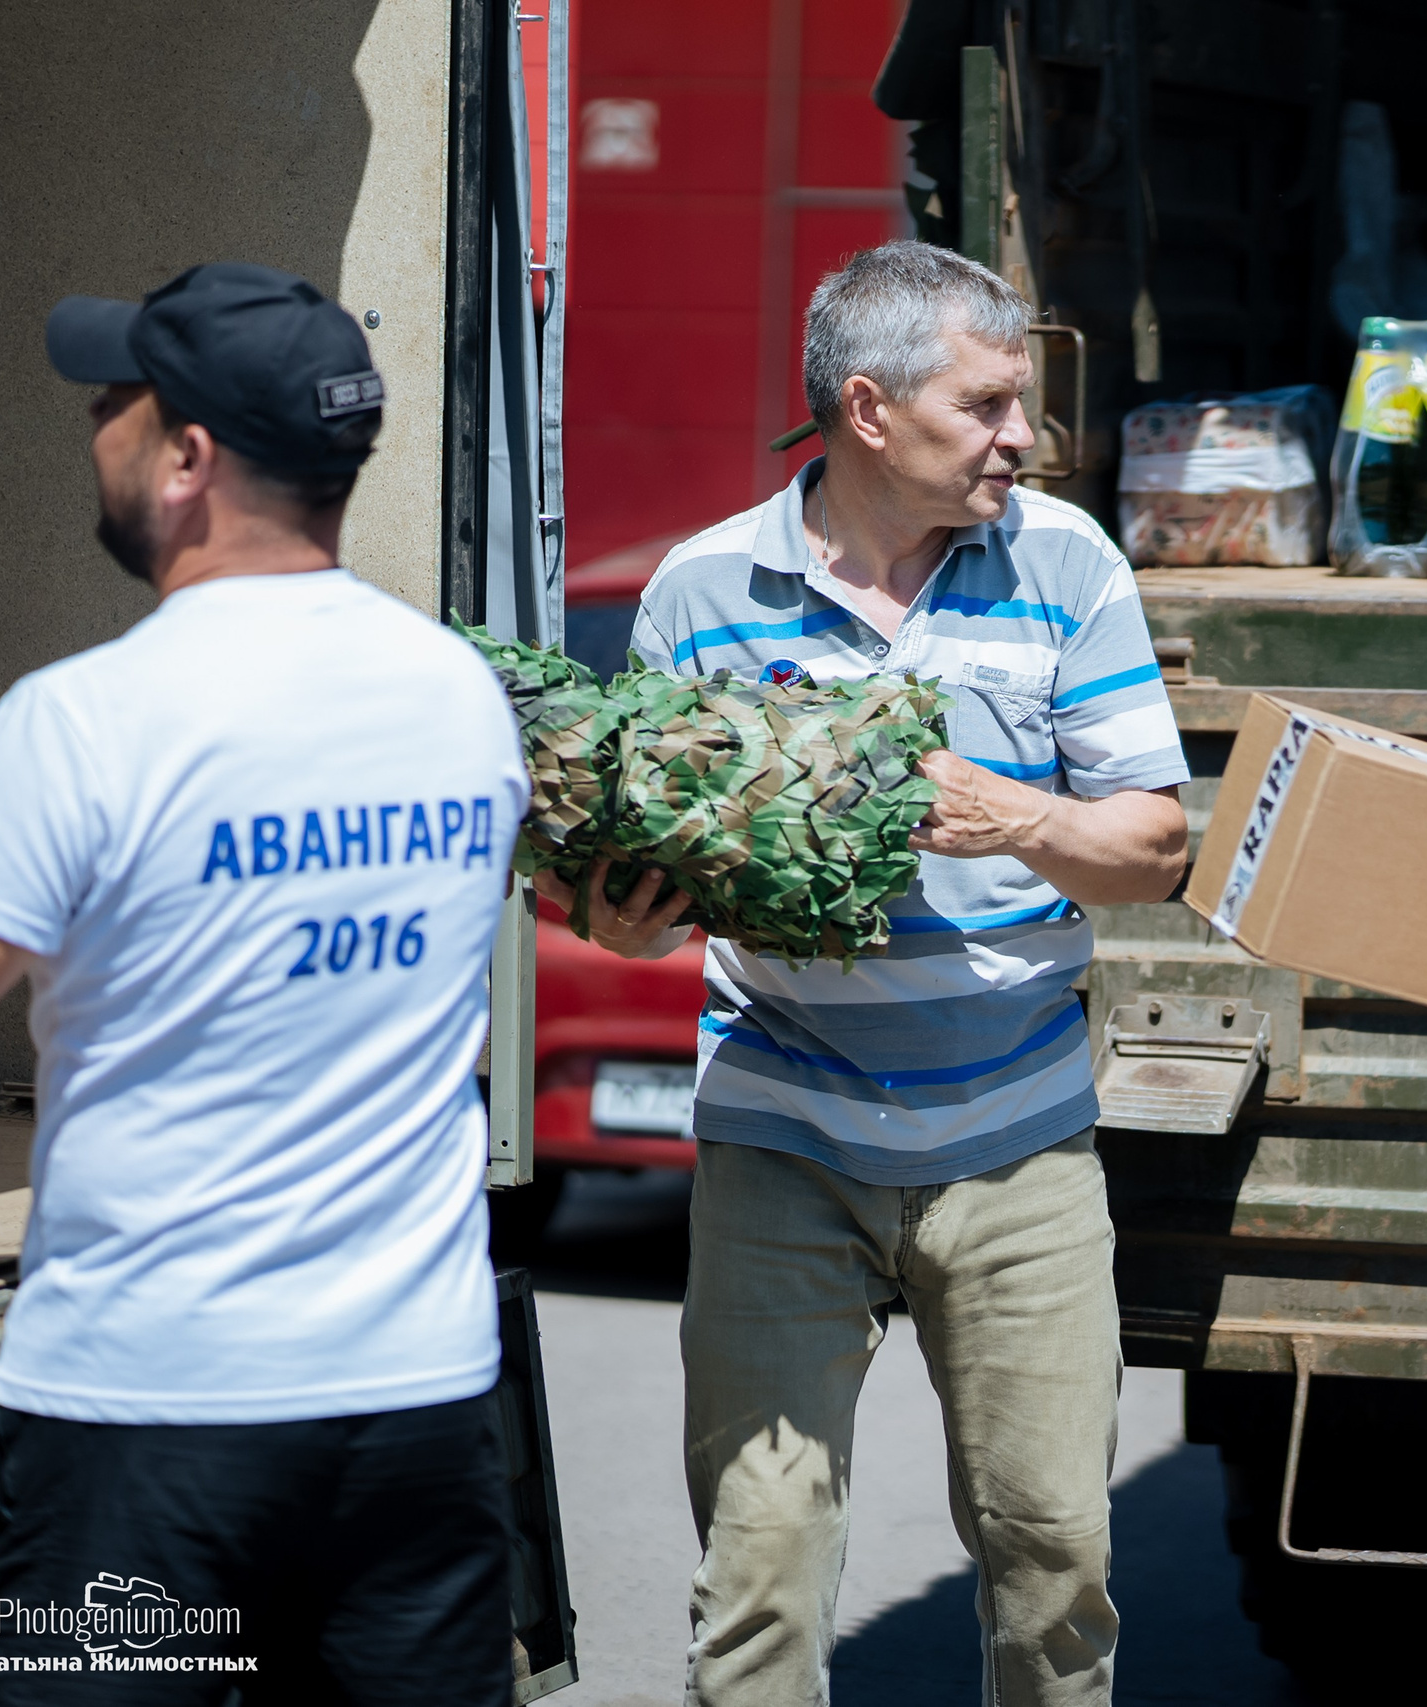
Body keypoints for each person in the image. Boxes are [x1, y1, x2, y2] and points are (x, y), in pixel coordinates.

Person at [554, 241, 1187, 1705]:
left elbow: (1151, 845)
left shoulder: (1067, 562)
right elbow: (634, 883)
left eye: (1019, 404)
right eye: (987, 404)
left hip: (1019, 1138)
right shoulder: (707, 591)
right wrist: (629, 917)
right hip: (785, 1129)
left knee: (1052, 1564)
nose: (1021, 435)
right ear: (868, 409)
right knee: (760, 1568)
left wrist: (1017, 814)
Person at [0, 263, 529, 1701]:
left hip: (148, 1425)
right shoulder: (457, 694)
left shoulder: (82, 724)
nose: (94, 426)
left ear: (188, 460)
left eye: (113, 402)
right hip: (416, 1409)